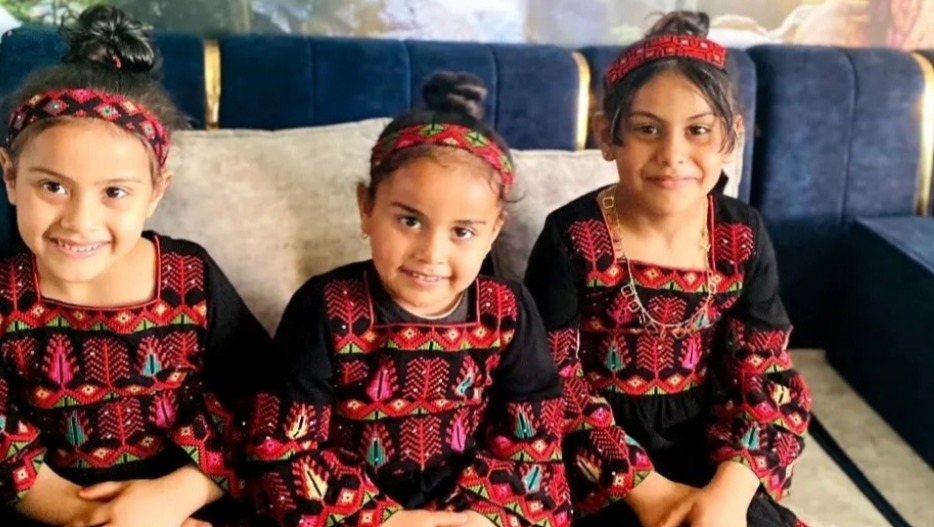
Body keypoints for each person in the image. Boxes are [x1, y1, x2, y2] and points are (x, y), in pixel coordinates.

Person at [523, 11, 811, 527]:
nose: (672, 154)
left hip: (712, 449)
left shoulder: (742, 235)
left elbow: (765, 372)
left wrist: (727, 496)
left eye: (698, 130)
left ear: (730, 138)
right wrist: (649, 493)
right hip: (596, 458)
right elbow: (550, 377)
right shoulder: (572, 236)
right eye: (647, 129)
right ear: (607, 136)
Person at [247, 71, 571, 527]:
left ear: (493, 232)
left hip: (472, 513)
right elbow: (284, 447)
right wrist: (387, 520)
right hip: (352, 514)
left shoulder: (507, 312)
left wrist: (477, 517)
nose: (431, 253)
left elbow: (533, 437)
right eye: (410, 221)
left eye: (462, 232)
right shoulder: (326, 307)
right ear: (367, 207)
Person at [0, 6, 269, 526]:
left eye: (114, 192)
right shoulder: (5, 294)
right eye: (52, 186)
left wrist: (176, 498)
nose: (80, 222)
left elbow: (257, 398)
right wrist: (96, 519)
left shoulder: (190, 278)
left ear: (155, 192)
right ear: (11, 177)